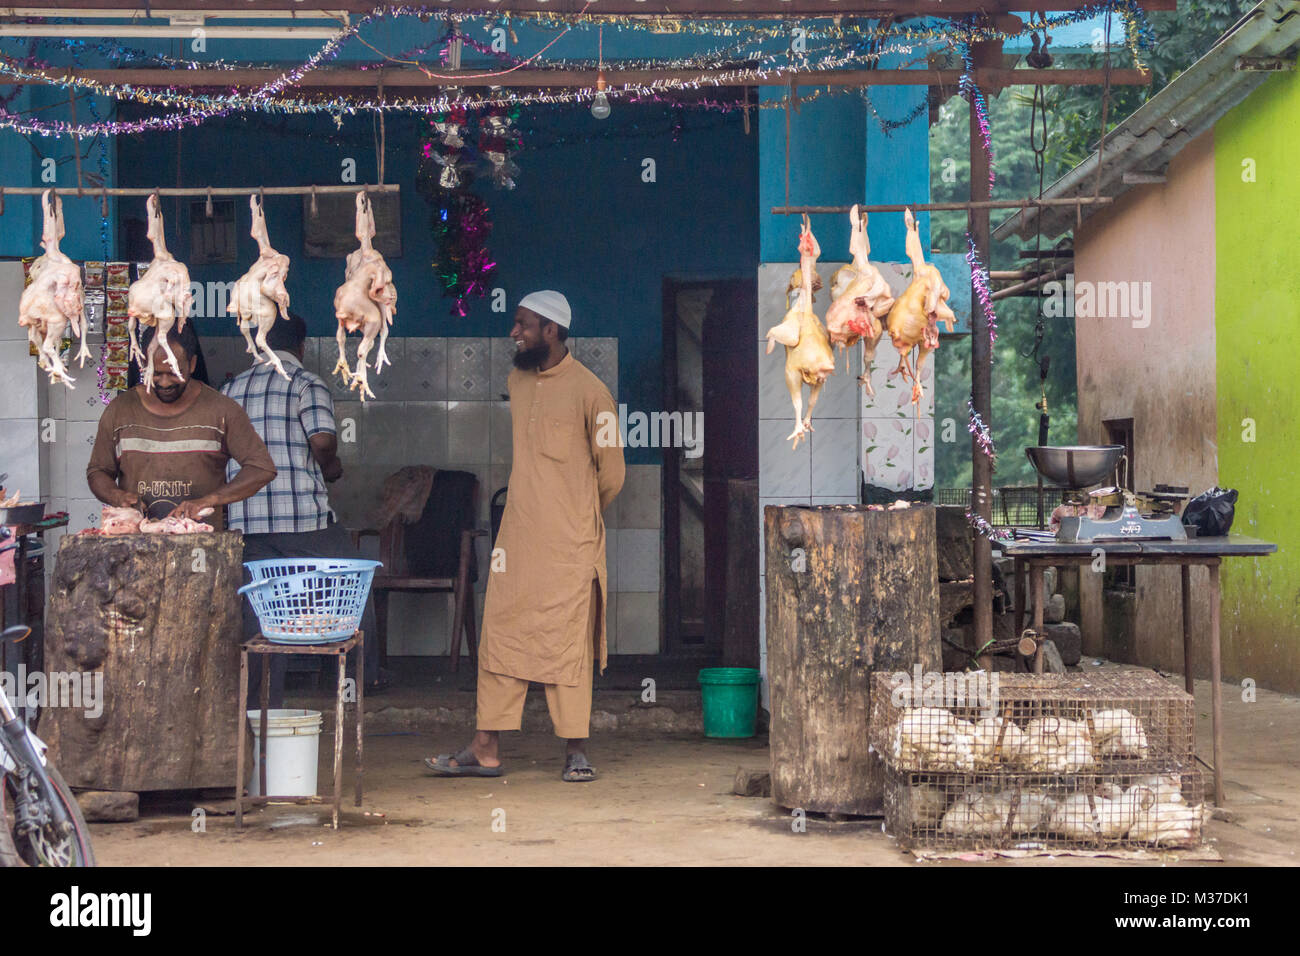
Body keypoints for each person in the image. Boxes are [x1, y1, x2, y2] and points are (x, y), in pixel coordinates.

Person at [426, 290, 625, 782]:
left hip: (570, 544)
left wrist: (574, 513)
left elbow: (613, 473)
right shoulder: (517, 381)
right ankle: (485, 747)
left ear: (551, 331)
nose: (513, 332)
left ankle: (576, 749)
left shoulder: (592, 392)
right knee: (502, 633)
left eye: (523, 325)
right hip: (516, 539)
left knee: (568, 642)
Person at [221, 312, 381, 707]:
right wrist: (331, 468)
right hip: (305, 525)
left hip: (247, 525)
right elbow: (324, 441)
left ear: (259, 342)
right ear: (302, 347)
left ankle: (261, 707)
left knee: (260, 614)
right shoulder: (306, 383)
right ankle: (359, 684)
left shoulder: (228, 391)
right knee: (354, 590)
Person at [87, 323, 276, 529]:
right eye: (156, 373)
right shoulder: (120, 410)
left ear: (192, 364)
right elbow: (98, 471)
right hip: (134, 548)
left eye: (174, 372)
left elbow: (261, 468)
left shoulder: (222, 410)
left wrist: (209, 500)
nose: (165, 382)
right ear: (143, 363)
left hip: (202, 549)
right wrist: (117, 496)